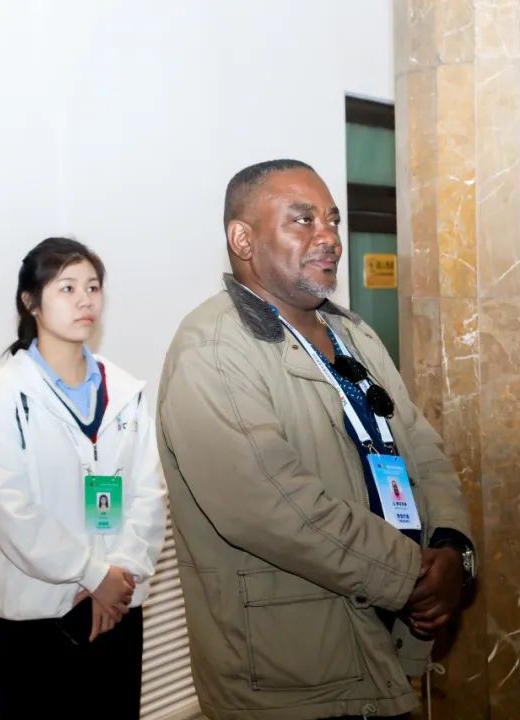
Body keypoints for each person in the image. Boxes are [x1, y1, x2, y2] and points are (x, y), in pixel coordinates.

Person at [157, 159, 476, 720]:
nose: (328, 237)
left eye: (332, 220)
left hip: (384, 638)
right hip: (292, 676)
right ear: (243, 239)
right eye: (303, 220)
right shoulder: (213, 349)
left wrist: (453, 549)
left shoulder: (353, 334)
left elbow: (422, 450)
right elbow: (273, 505)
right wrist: (411, 577)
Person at [0, 237, 167, 719]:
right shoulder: (4, 395)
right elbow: (10, 511)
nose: (84, 300)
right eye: (67, 288)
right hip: (39, 620)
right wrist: (93, 574)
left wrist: (118, 576)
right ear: (30, 302)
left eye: (93, 287)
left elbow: (149, 493)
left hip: (118, 610)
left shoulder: (125, 391)